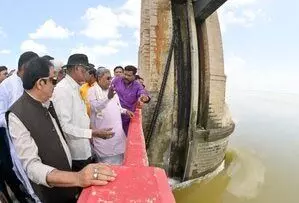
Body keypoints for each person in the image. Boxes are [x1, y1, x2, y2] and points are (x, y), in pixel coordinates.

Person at [7, 57, 116, 203]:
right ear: (40, 83)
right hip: (53, 190)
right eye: (53, 79)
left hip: (67, 176)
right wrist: (77, 178)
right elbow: (32, 166)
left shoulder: (47, 101)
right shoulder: (17, 115)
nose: (56, 83)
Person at [52, 54, 114, 172]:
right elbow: (64, 127)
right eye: (86, 70)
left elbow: (80, 116)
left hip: (83, 147)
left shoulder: (75, 88)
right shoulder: (63, 90)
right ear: (78, 69)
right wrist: (93, 133)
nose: (88, 74)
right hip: (75, 153)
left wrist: (91, 132)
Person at [0, 51, 39, 203]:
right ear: (22, 68)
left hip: (38, 136)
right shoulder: (5, 87)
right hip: (19, 142)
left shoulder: (34, 81)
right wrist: (19, 121)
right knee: (29, 177)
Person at [88, 67, 134, 165]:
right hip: (104, 138)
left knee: (121, 165)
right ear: (99, 78)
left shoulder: (112, 91)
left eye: (110, 78)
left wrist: (125, 111)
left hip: (118, 136)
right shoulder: (92, 91)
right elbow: (96, 107)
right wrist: (108, 98)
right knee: (106, 167)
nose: (110, 81)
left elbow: (117, 107)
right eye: (107, 78)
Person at [111, 65, 150, 135]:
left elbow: (143, 93)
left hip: (127, 118)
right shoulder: (117, 80)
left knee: (125, 138)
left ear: (134, 76)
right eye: (125, 74)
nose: (126, 77)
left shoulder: (137, 85)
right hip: (114, 114)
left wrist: (144, 98)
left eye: (129, 75)